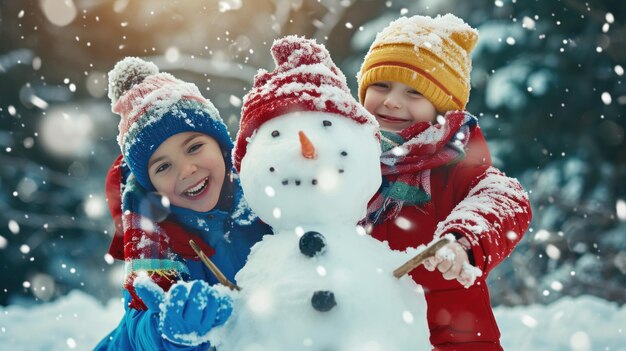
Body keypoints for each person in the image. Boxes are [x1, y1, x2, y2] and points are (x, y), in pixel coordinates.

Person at [357, 14, 532, 351]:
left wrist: (461, 239)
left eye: (414, 92)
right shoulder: (341, 157)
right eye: (381, 85)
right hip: (366, 330)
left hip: (452, 338)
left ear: (441, 108)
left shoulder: (453, 164)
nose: (392, 100)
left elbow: (504, 198)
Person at [95, 57, 270, 350]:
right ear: (151, 186)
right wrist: (169, 333)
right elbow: (138, 326)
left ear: (223, 148)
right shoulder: (153, 238)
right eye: (163, 167)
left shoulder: (266, 199)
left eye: (194, 147)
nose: (186, 170)